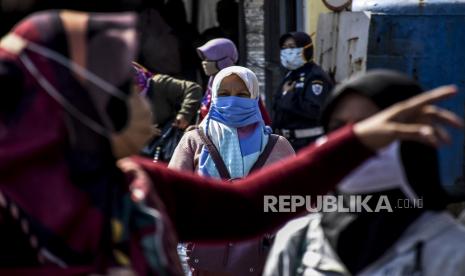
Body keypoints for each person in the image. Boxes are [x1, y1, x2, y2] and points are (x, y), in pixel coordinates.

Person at [0, 10, 461, 275]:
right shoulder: (12, 217)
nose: (148, 100)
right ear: (84, 108)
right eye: (129, 89)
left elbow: (245, 208)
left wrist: (357, 140)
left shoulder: (135, 188)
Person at [264, 70, 465, 276]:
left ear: (413, 138)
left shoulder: (452, 251)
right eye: (339, 128)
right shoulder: (299, 242)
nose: (354, 142)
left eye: (370, 127)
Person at [168, 66, 295, 275]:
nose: (233, 100)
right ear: (214, 96)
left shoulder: (278, 146)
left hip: (264, 263)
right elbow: (172, 197)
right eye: (224, 94)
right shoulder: (194, 140)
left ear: (254, 97)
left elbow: (296, 203)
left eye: (242, 95)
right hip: (205, 261)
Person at [272, 32, 333, 151]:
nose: (287, 51)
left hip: (308, 143)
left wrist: (288, 96)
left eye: (292, 47)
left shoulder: (315, 76)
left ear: (306, 49)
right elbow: (277, 105)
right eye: (284, 48)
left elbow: (313, 110)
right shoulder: (289, 75)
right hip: (287, 143)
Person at [197, 38, 271, 124]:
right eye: (204, 59)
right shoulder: (212, 82)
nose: (204, 63)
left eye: (208, 59)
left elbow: (260, 119)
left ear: (224, 60)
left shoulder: (243, 82)